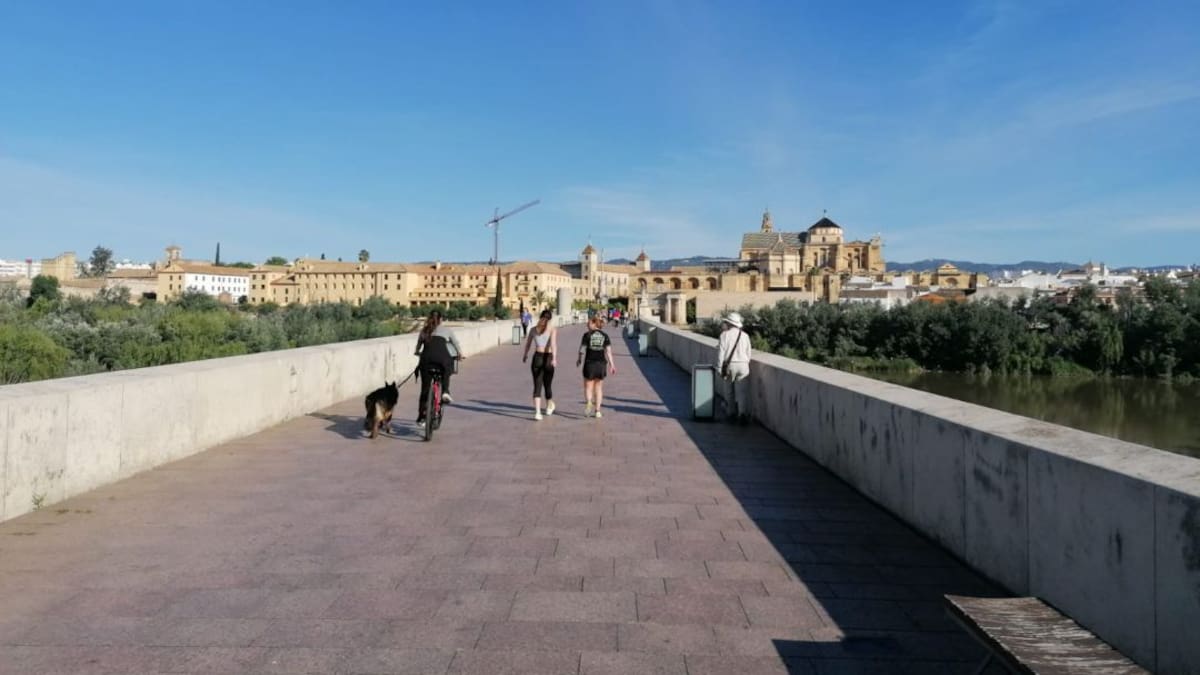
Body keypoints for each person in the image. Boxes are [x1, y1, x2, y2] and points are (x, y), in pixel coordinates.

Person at [414, 310, 464, 424]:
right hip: (442, 359)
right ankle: (445, 391)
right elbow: (455, 343)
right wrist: (460, 354)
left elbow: (418, 347)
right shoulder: (447, 330)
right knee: (448, 367)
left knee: (425, 389)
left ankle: (422, 417)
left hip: (426, 360)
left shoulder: (424, 331)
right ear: (441, 319)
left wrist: (417, 352)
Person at [522, 309, 558, 420]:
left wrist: (525, 355)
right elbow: (553, 344)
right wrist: (554, 359)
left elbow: (528, 344)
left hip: (537, 357)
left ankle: (538, 412)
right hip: (548, 357)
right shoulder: (552, 329)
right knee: (547, 384)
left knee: (537, 385)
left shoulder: (533, 330)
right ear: (550, 319)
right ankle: (549, 405)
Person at [577, 314, 616, 418]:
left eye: (589, 323)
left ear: (594, 323)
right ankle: (598, 411)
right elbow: (608, 352)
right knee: (598, 388)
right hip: (601, 364)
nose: (587, 324)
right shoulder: (605, 336)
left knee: (588, 386)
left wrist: (579, 359)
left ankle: (589, 402)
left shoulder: (587, 335)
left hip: (589, 363)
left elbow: (582, 349)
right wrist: (612, 365)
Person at [716, 311, 751, 424]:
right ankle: (742, 415)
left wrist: (719, 368)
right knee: (742, 392)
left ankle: (731, 414)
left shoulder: (724, 335)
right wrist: (745, 362)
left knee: (729, 391)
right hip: (743, 365)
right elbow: (748, 353)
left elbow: (721, 353)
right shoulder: (745, 335)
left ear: (729, 323)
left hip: (729, 365)